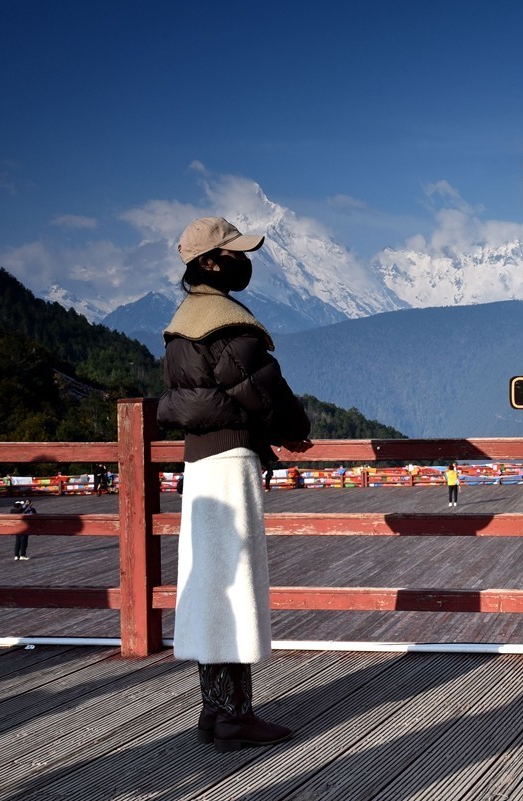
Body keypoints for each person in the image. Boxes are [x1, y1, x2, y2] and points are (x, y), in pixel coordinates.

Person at [157, 216, 313, 753]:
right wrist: (294, 432)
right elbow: (266, 392)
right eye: (236, 254)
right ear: (211, 262)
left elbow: (186, 402)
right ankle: (234, 718)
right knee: (236, 580)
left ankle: (215, 709)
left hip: (197, 467)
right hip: (230, 460)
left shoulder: (181, 324)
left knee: (208, 583)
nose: (245, 262)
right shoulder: (227, 324)